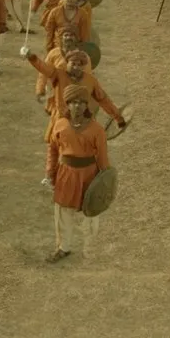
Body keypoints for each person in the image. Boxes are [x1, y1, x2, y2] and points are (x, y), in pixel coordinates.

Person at [46, 83, 110, 264]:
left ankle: (91, 249)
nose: (77, 106)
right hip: (66, 174)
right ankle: (63, 247)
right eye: (73, 102)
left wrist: (105, 180)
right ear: (67, 104)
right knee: (63, 211)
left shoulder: (97, 130)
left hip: (89, 174)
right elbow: (52, 149)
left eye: (82, 102)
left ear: (87, 105)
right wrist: (50, 171)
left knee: (91, 212)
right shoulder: (60, 125)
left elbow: (103, 158)